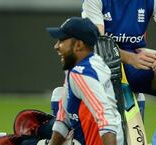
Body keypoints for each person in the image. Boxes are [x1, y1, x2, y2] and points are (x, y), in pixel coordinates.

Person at [46, 17, 124, 145]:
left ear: (78, 45)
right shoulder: (81, 66)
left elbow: (106, 120)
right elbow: (63, 117)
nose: (56, 46)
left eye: (61, 41)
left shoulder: (82, 74)